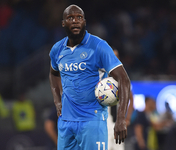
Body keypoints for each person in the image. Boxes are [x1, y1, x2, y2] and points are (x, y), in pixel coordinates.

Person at [49, 4, 131, 150]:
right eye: (70, 18)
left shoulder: (99, 46)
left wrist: (121, 119)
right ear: (63, 23)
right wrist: (57, 101)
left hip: (92, 120)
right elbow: (53, 73)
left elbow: (124, 80)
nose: (75, 21)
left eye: (79, 17)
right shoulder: (57, 49)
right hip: (66, 122)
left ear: (84, 22)